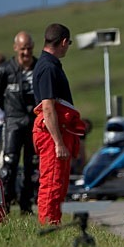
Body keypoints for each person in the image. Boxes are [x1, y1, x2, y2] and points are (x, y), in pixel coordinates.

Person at [32, 23, 85, 225]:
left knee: (58, 184)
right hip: (52, 135)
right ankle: (48, 226)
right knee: (52, 183)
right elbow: (48, 108)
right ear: (63, 42)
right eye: (68, 43)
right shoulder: (47, 68)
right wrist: (58, 142)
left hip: (57, 133)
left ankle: (53, 222)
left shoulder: (49, 65)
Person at [0, 31, 39, 214]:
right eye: (22, 49)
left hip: (34, 121)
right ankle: (7, 202)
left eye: (29, 48)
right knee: (9, 164)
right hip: (13, 120)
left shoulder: (38, 67)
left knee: (32, 165)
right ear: (15, 48)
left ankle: (26, 205)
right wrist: (9, 109)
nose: (26, 53)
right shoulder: (4, 69)